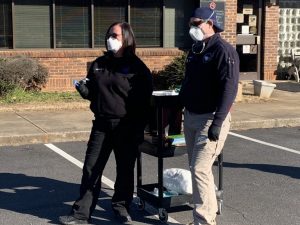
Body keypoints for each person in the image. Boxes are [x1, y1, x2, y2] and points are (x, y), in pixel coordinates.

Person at [59, 22, 153, 225]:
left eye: (115, 35)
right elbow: (93, 91)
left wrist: (140, 129)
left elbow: (146, 102)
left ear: (126, 38)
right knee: (91, 169)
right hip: (101, 125)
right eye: (109, 34)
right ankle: (81, 214)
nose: (110, 38)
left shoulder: (137, 68)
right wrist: (84, 91)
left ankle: (121, 208)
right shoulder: (99, 63)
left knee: (125, 170)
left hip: (126, 126)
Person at [179, 7, 239, 225]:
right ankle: (207, 215)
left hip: (211, 118)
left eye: (196, 23)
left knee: (200, 169)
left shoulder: (223, 51)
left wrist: (218, 121)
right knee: (197, 170)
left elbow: (229, 88)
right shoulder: (196, 49)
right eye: (190, 24)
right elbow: (188, 82)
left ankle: (204, 221)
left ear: (210, 23)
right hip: (192, 116)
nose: (192, 28)